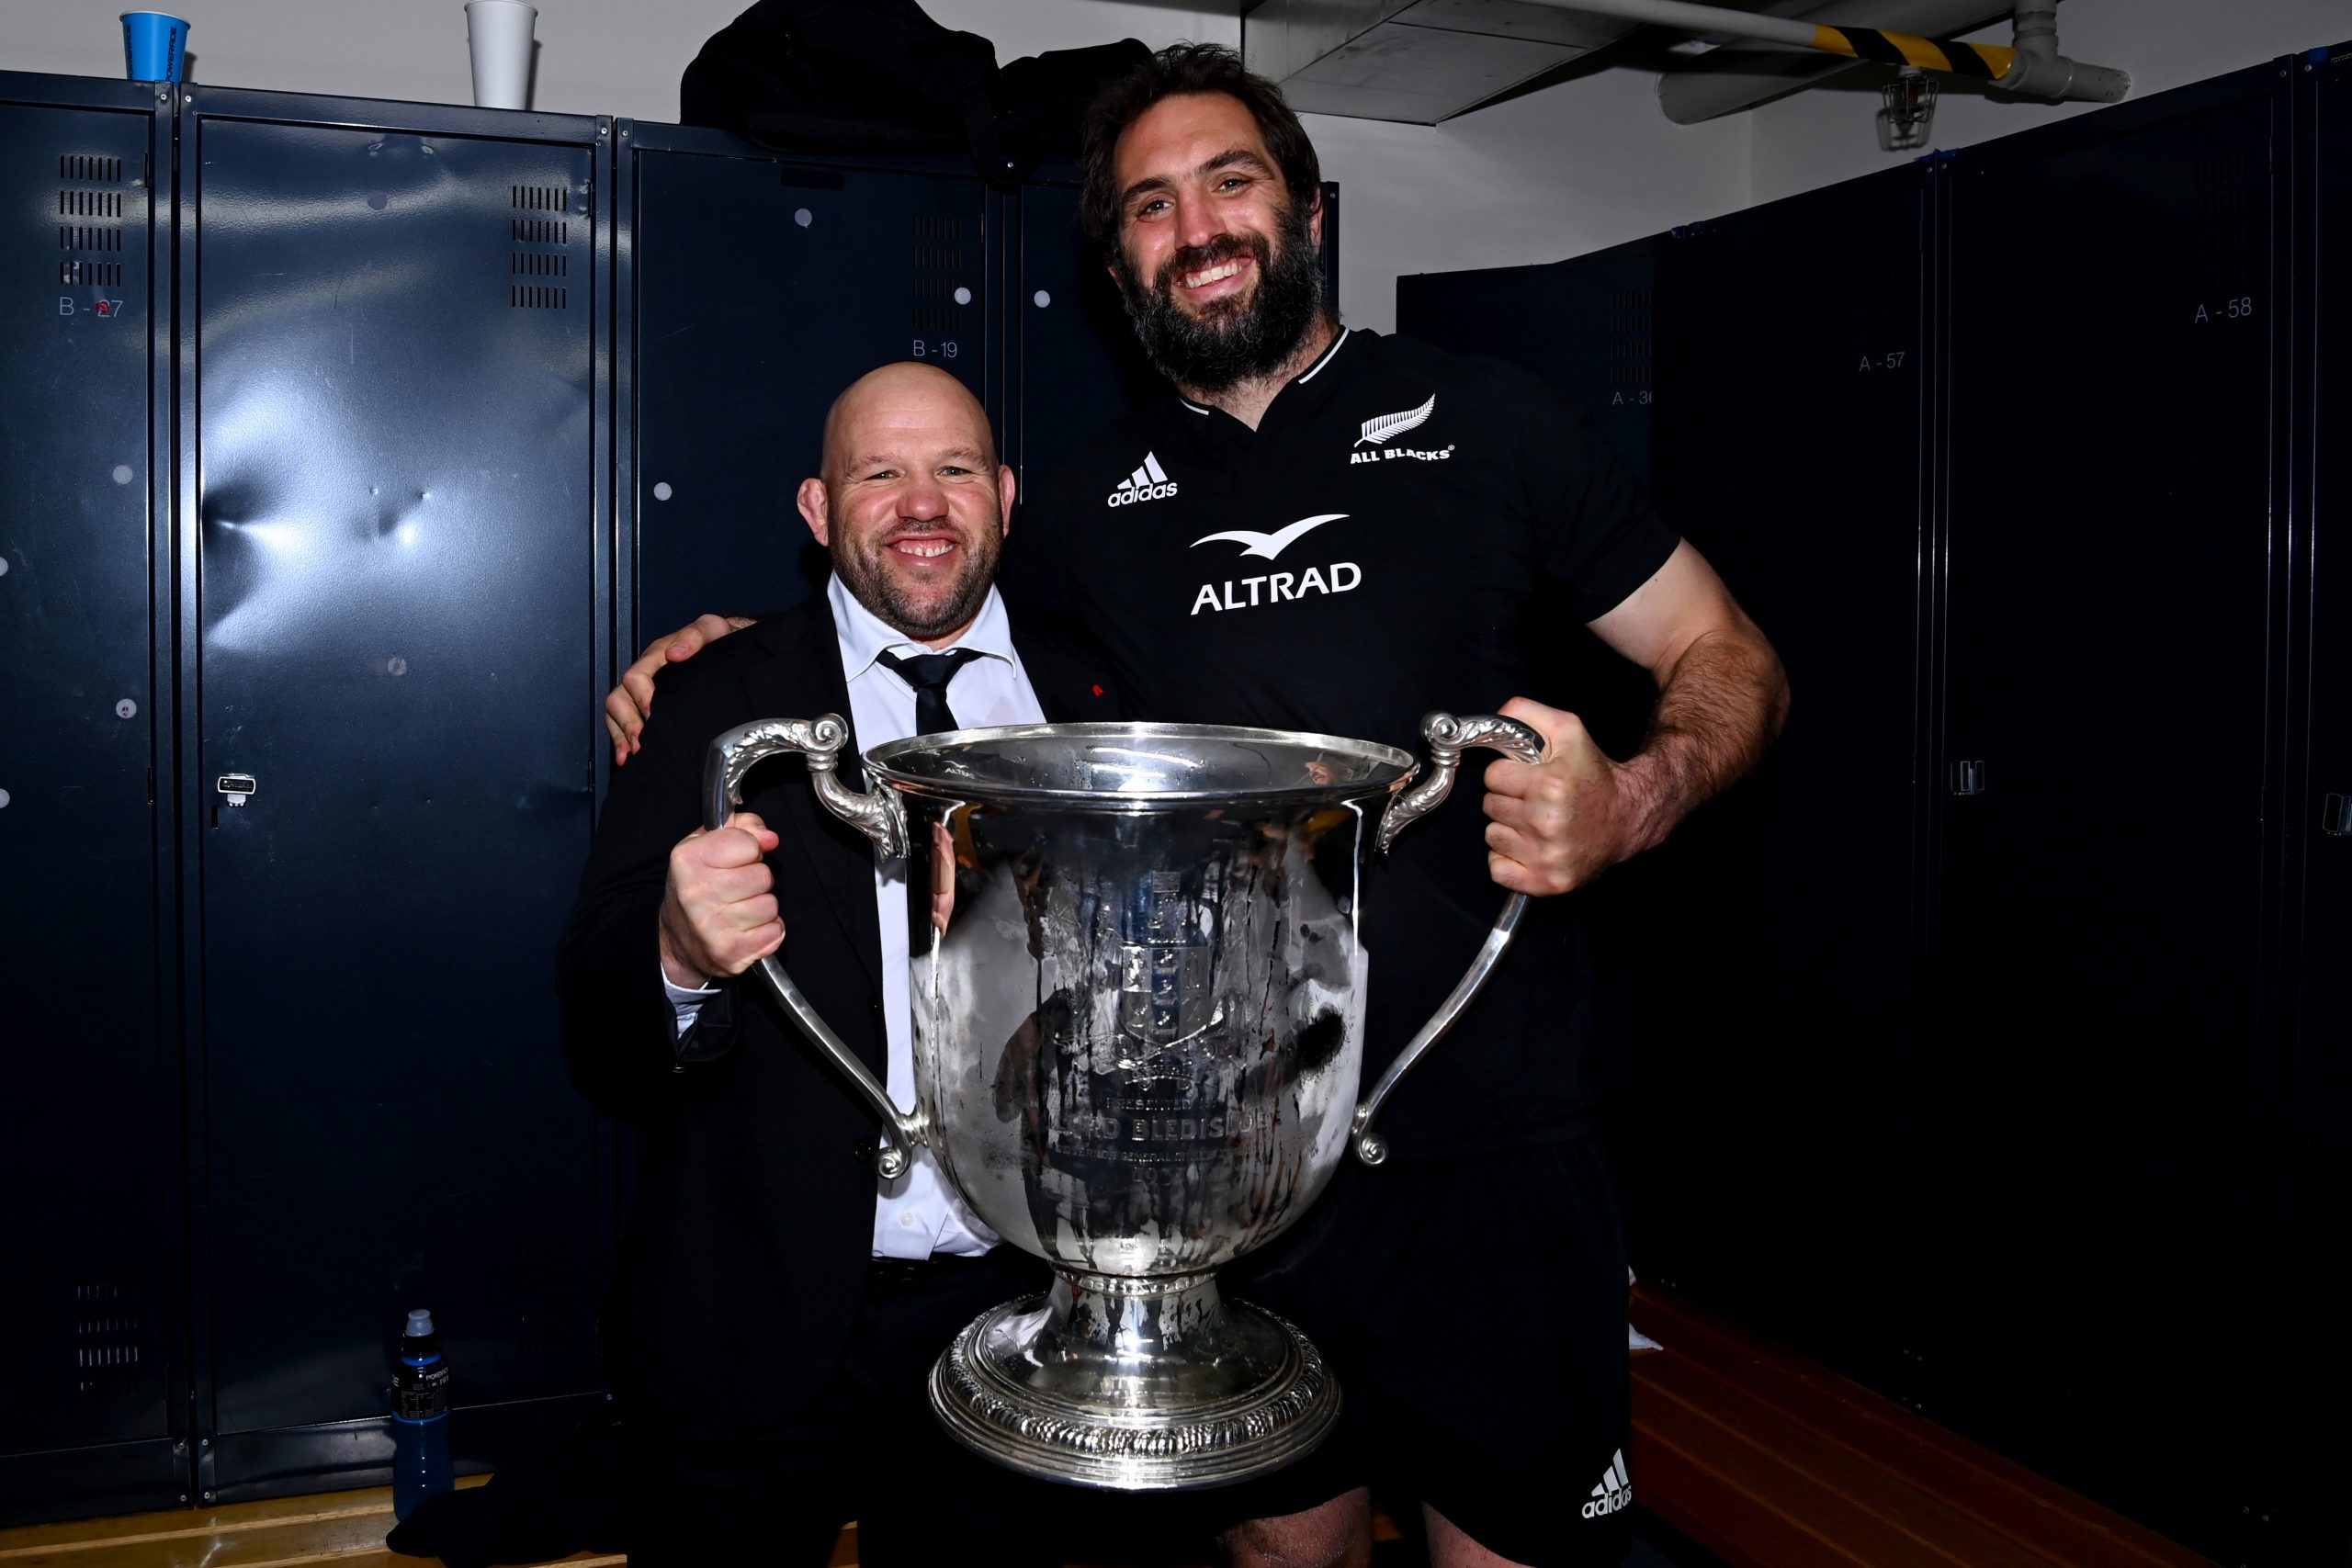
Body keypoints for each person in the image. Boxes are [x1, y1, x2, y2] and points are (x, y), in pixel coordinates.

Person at [604, 43, 1789, 1568]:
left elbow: (1724, 651)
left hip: (1492, 1153)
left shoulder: (1493, 419)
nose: (1199, 225)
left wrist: (1634, 795)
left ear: (1302, 206)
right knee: (1283, 1551)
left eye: (1231, 180)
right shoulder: (1088, 506)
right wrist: (716, 660)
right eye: (1151, 206)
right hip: (1232, 1167)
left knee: (1510, 1552)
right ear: (1116, 265)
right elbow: (915, 597)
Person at [560, 362, 1115, 1564]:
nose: (922, 504)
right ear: (818, 511)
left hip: (1025, 1324)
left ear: (1006, 496)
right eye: (882, 473)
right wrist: (674, 948)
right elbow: (595, 1015)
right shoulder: (710, 698)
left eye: (954, 469)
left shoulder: (1110, 698)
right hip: (750, 1329)